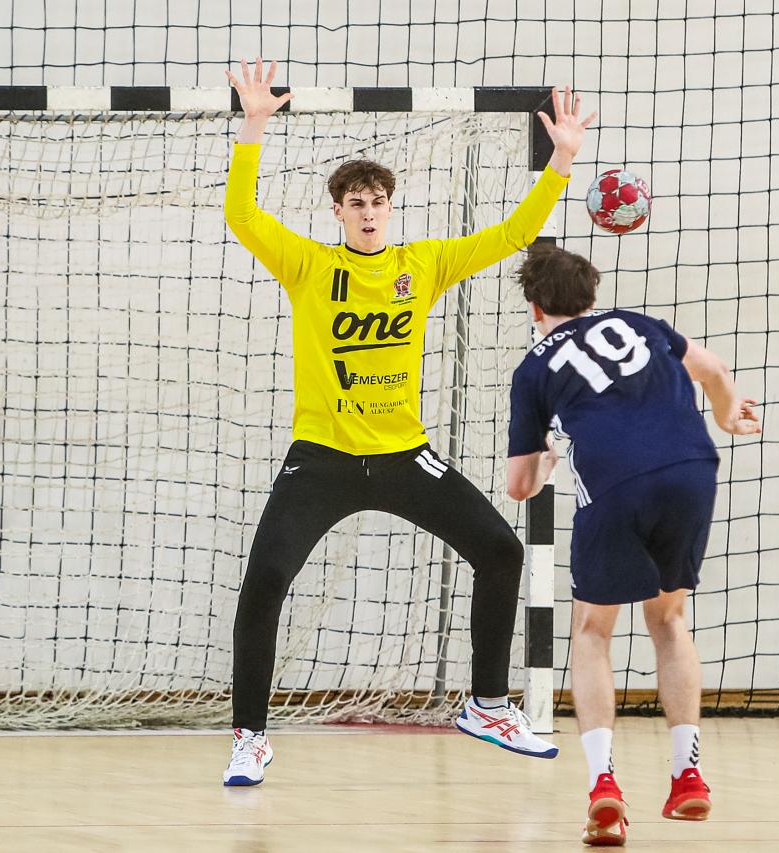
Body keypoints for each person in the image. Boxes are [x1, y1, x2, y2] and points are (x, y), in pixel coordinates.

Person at [219, 58, 596, 786]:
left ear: (391, 208)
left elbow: (516, 232)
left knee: (500, 550)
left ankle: (488, 705)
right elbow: (243, 216)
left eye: (378, 201)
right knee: (265, 578)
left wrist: (562, 161)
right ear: (337, 211)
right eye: (356, 202)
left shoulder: (422, 266)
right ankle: (250, 737)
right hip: (321, 459)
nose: (368, 212)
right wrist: (254, 126)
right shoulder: (307, 266)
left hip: (404, 456)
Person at [504, 244, 761, 845]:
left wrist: (547, 462)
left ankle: (604, 786)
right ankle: (688, 775)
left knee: (593, 629)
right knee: (669, 619)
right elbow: (714, 369)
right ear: (591, 295)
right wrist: (727, 415)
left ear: (535, 308)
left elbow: (519, 487)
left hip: (617, 485)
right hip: (693, 470)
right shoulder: (642, 325)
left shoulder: (533, 369)